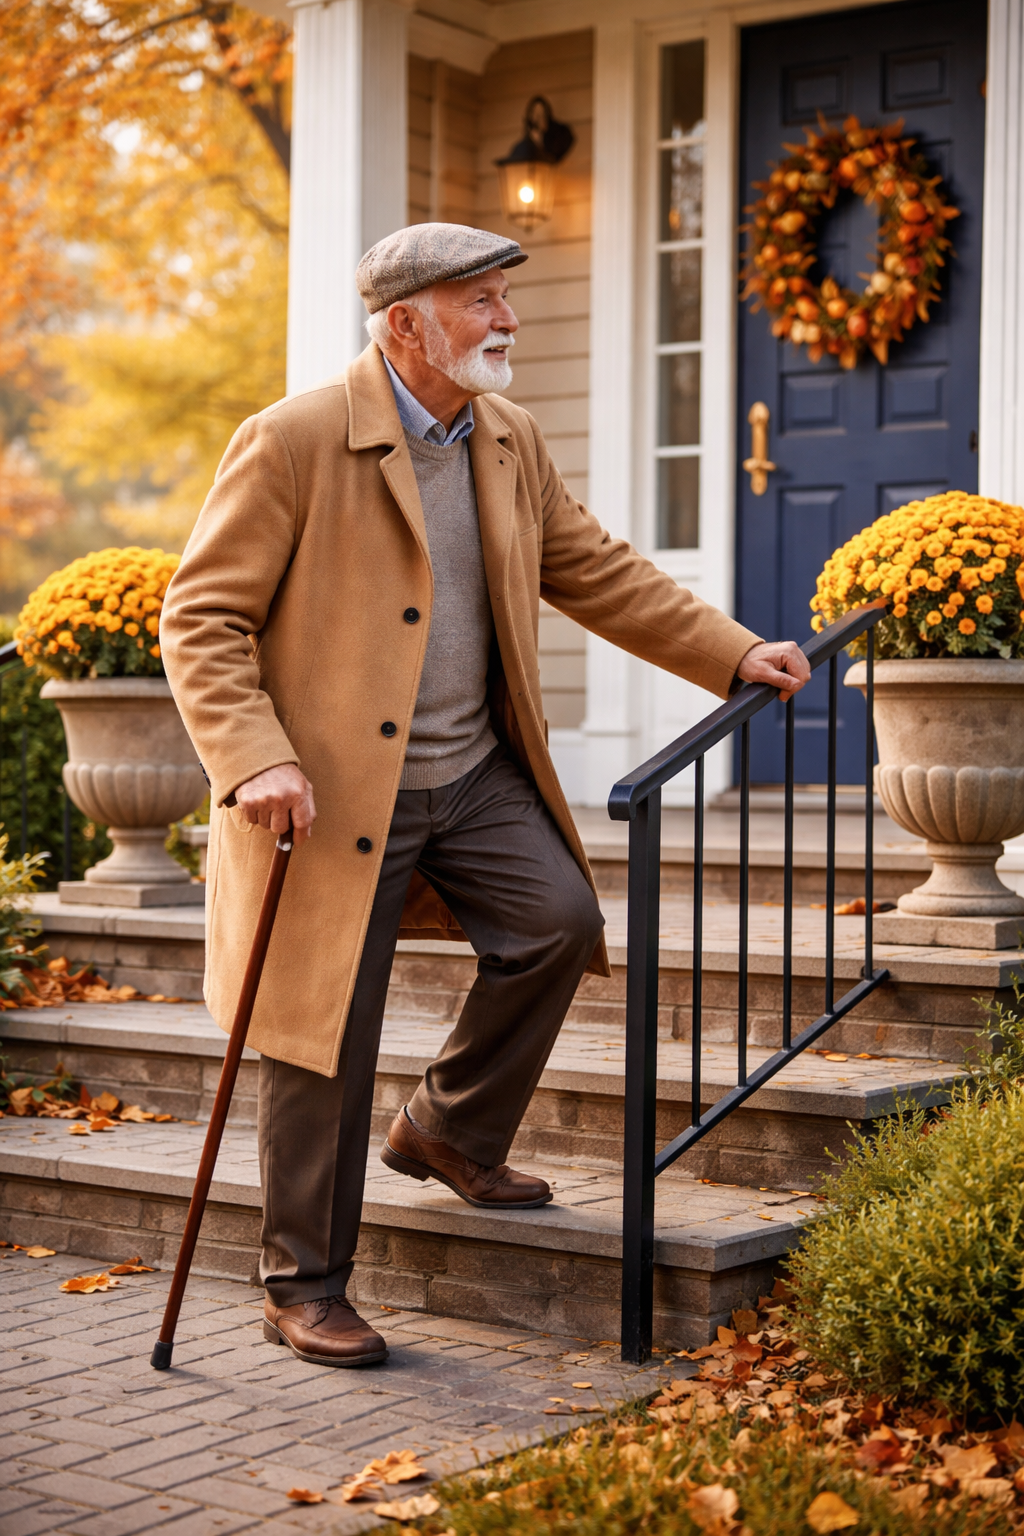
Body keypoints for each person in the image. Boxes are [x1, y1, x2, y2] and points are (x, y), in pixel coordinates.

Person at [160, 222, 810, 1370]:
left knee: (557, 924)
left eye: (505, 298)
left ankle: (449, 1127)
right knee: (321, 1038)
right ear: (405, 324)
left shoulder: (503, 436)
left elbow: (592, 564)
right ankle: (301, 1282)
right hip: (325, 794)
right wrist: (254, 754)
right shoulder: (296, 439)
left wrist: (728, 649)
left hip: (468, 775)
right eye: (480, 301)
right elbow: (200, 617)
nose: (508, 320)